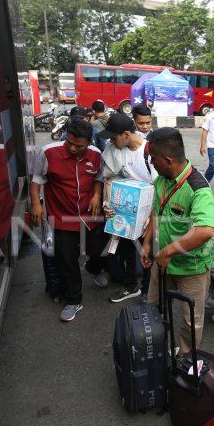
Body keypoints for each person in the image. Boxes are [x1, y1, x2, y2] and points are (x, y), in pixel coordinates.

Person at [140, 128, 214, 357]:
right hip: (163, 262)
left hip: (190, 268)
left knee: (192, 322)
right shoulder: (161, 180)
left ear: (168, 159)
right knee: (154, 309)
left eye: (153, 158)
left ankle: (185, 361)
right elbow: (156, 212)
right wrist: (146, 244)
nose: (151, 163)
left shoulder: (198, 188)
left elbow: (205, 230)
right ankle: (156, 352)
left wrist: (169, 251)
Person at [29, 117, 108, 322]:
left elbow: (99, 177)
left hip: (91, 215)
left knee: (100, 250)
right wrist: (36, 204)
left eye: (78, 145)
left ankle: (93, 267)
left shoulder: (97, 154)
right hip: (62, 217)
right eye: (69, 142)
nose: (73, 148)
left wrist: (97, 195)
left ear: (89, 142)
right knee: (67, 259)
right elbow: (36, 179)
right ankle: (74, 300)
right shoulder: (48, 153)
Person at [99, 113, 156, 303]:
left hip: (151, 209)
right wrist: (109, 205)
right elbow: (110, 179)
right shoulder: (113, 149)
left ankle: (149, 290)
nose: (111, 141)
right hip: (126, 208)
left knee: (148, 251)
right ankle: (130, 286)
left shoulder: (150, 150)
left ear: (126, 134)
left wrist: (152, 217)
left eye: (114, 137)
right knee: (125, 249)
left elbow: (162, 188)